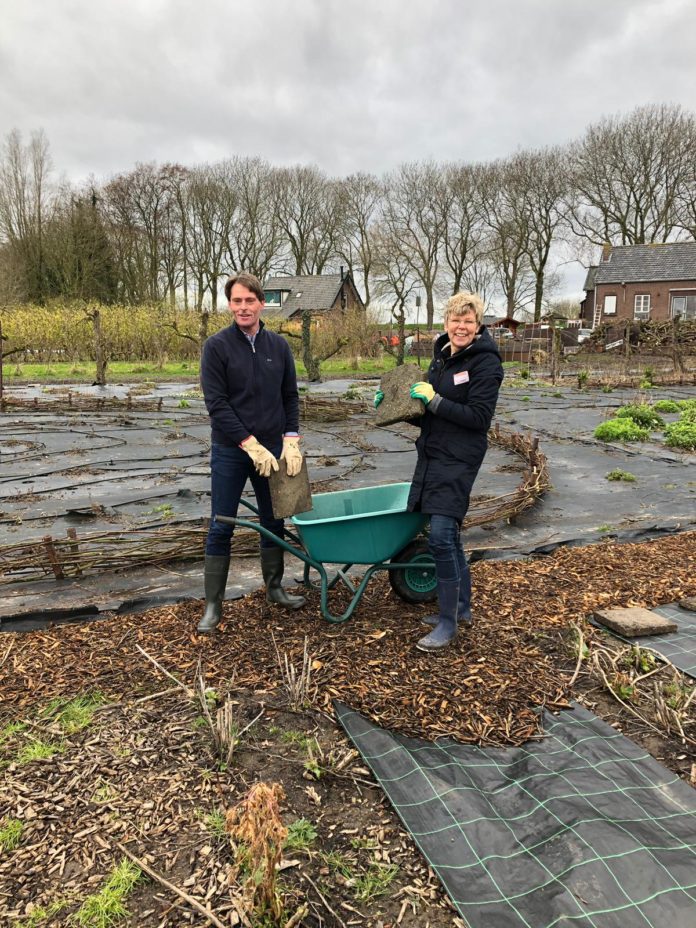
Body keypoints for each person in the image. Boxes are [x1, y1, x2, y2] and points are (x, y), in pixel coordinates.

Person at [374, 292, 503, 651]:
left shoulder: (486, 363)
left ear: (478, 326)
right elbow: (431, 418)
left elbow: (478, 418)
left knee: (442, 537)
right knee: (450, 537)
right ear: (446, 322)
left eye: (468, 321)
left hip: (460, 458)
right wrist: (396, 405)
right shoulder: (442, 357)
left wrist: (434, 399)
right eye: (455, 320)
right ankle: (461, 609)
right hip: (434, 454)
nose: (460, 327)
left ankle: (447, 624)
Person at [198, 271, 305, 634]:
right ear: (230, 305)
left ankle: (274, 588)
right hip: (231, 449)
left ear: (262, 303)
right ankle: (213, 604)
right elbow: (217, 403)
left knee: (273, 519)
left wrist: (290, 439)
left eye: (250, 300)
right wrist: (248, 443)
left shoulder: (278, 347)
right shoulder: (216, 347)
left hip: (274, 447)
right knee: (221, 524)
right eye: (236, 301)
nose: (243, 307)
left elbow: (290, 396)